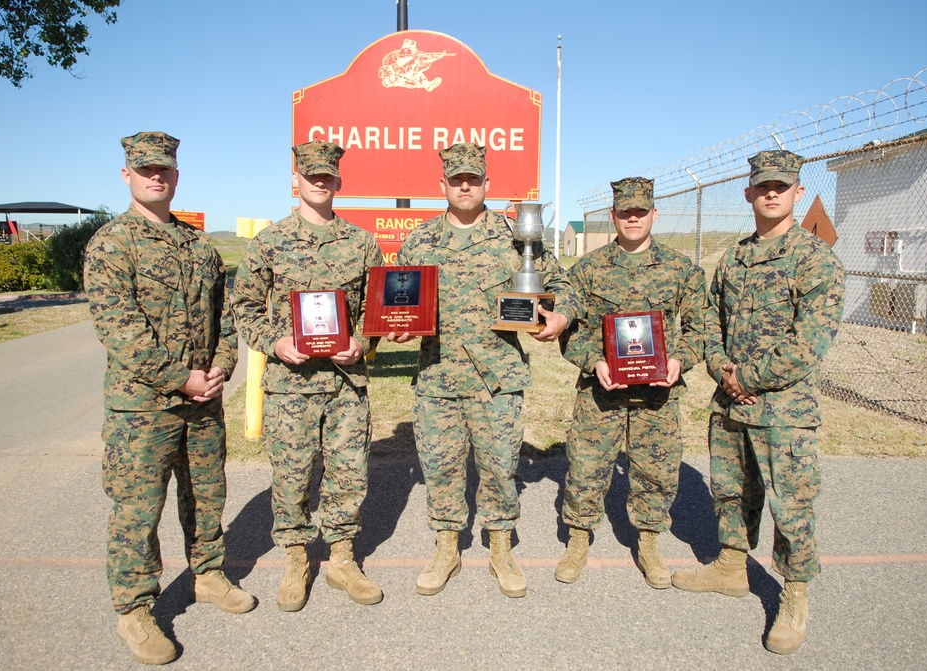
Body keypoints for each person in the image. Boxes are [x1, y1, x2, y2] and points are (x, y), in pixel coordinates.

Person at [85, 131, 255, 666]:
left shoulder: (199, 247)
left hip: (204, 404)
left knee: (206, 496)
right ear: (127, 175)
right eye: (145, 170)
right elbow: (120, 329)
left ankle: (207, 574)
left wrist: (222, 367)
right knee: (137, 511)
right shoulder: (111, 244)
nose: (156, 177)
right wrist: (181, 377)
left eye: (165, 170)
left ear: (177, 176)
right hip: (143, 409)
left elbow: (225, 319)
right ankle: (135, 609)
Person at [670, 150, 845, 655]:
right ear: (749, 193)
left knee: (792, 506)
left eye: (781, 186)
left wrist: (745, 376)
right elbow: (710, 322)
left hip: (784, 411)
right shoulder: (734, 258)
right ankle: (731, 566)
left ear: (796, 192)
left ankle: (795, 594)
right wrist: (720, 367)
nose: (771, 193)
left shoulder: (816, 260)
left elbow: (809, 343)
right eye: (762, 186)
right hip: (730, 403)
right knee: (730, 491)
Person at [390, 142, 579, 598]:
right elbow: (398, 299)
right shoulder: (419, 240)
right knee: (440, 468)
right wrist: (395, 326)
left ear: (486, 184)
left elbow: (562, 286)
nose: (465, 186)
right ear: (443, 186)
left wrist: (559, 317)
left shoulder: (518, 238)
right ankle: (446, 548)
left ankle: (500, 548)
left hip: (497, 379)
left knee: (499, 467)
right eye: (457, 180)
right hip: (437, 377)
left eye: (473, 179)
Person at [232, 140, 384, 610]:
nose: (319, 182)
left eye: (328, 176)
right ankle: (296, 559)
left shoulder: (361, 244)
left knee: (348, 473)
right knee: (292, 475)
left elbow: (376, 312)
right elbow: (244, 307)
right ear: (296, 181)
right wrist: (275, 342)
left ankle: (341, 557)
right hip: (290, 384)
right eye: (311, 175)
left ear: (338, 182)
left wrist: (362, 342)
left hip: (344, 385)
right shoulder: (269, 242)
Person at [557, 177, 705, 588]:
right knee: (586, 466)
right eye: (626, 212)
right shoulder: (588, 270)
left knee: (655, 470)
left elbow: (700, 327)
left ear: (654, 215)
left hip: (657, 396)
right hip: (601, 392)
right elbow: (574, 332)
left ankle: (649, 542)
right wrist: (593, 362)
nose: (633, 218)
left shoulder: (681, 270)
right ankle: (578, 539)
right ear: (614, 216)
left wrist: (680, 360)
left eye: (641, 211)